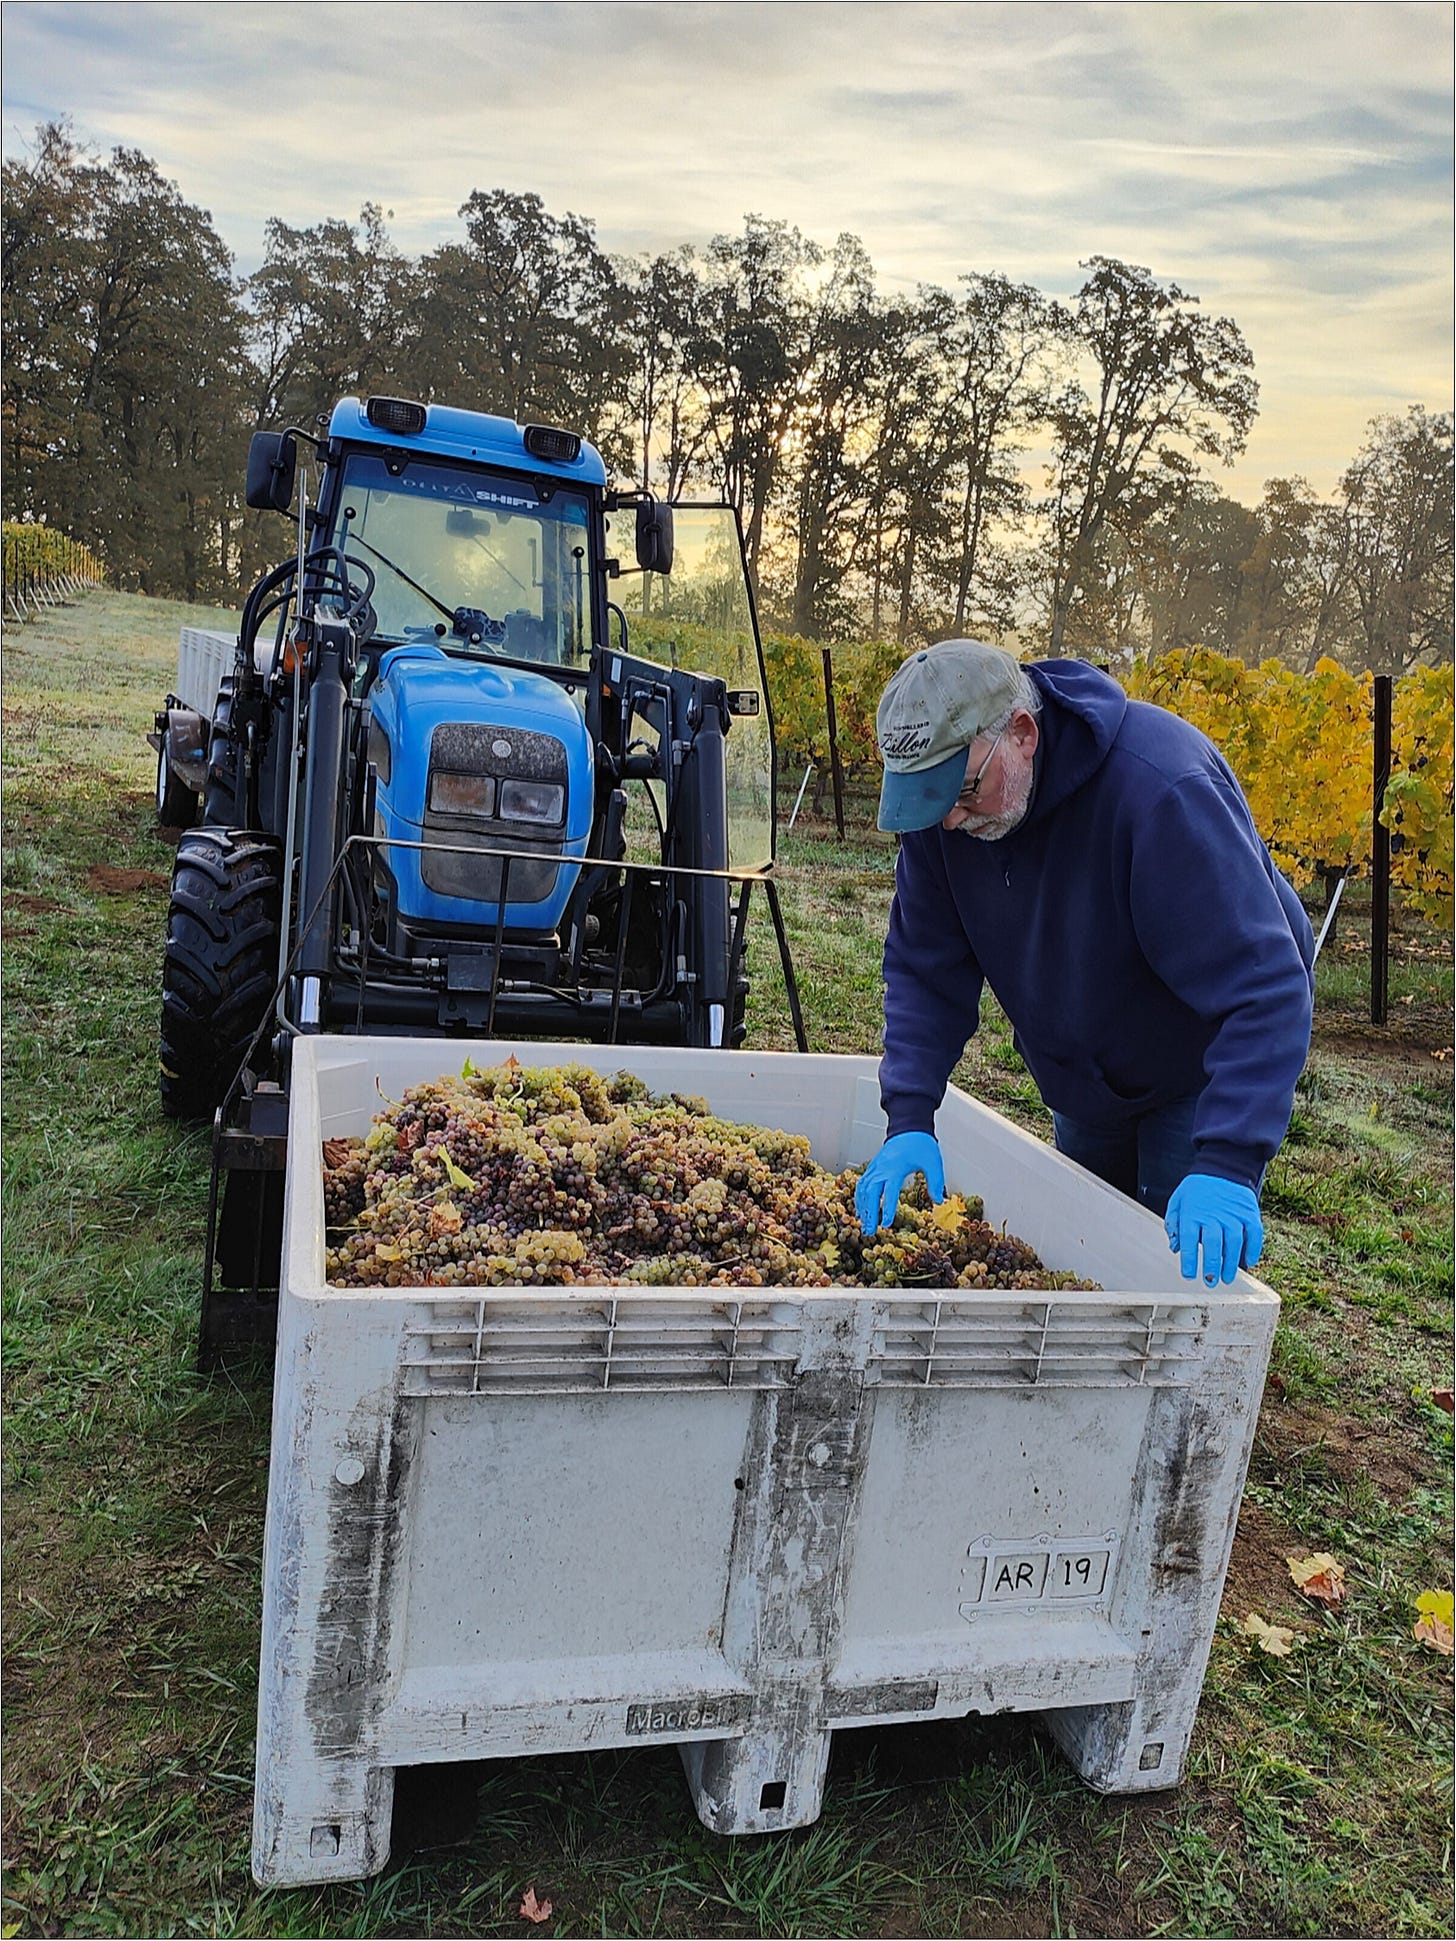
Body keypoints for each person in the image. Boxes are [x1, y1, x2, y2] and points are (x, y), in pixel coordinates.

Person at [855, 638, 1315, 1286]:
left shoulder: (1160, 792)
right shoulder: (945, 821)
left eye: (962, 789)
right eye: (929, 801)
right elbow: (924, 968)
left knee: (1169, 1272)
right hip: (1081, 1065)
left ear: (1022, 733)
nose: (951, 818)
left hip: (1196, 1060)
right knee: (1095, 1258)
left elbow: (1264, 987)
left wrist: (1229, 1159)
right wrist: (909, 1116)